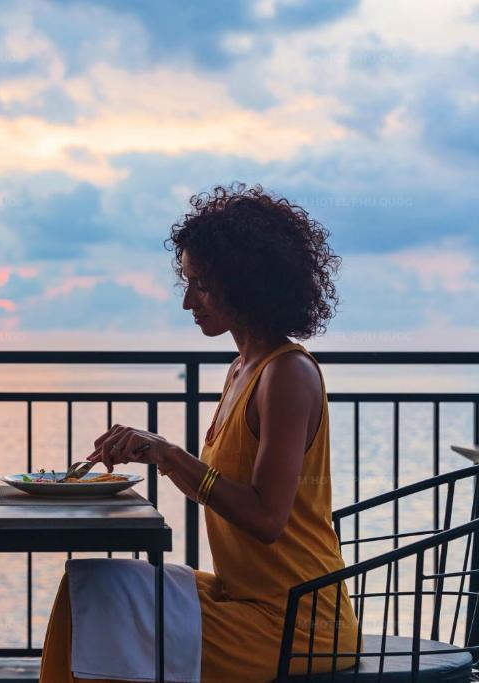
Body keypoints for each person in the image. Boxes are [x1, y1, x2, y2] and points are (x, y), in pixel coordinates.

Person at [39, 184, 356, 682]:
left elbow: (266, 518)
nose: (189, 300)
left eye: (203, 285)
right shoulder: (242, 369)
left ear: (249, 283)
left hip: (295, 622)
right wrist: (154, 452)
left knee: (104, 612)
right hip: (242, 596)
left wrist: (168, 453)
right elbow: (217, 485)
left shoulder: (286, 374)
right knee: (92, 586)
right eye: (187, 283)